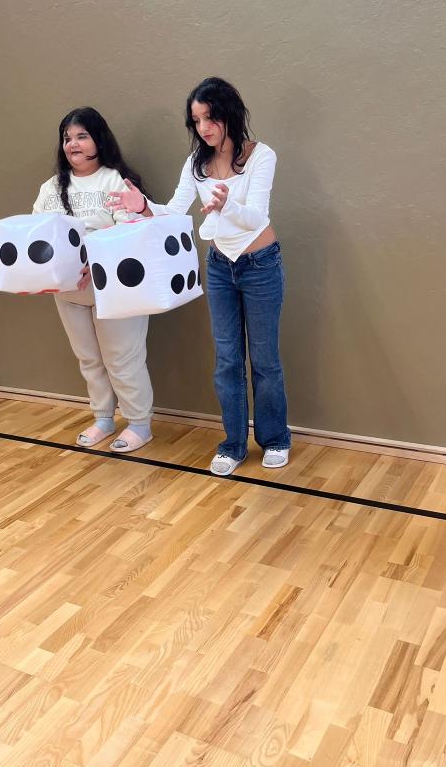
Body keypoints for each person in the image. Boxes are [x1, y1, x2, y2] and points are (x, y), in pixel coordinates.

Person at [107, 77, 290, 475]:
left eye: (210, 117)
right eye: (197, 120)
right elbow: (174, 211)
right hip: (221, 267)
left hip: (261, 265)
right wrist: (142, 206)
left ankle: (275, 438)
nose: (204, 127)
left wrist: (227, 206)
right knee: (226, 361)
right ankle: (233, 444)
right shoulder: (196, 164)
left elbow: (257, 217)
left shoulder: (261, 156)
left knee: (265, 360)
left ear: (229, 114)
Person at [33, 107, 154, 452]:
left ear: (99, 139)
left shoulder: (115, 181)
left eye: (82, 136)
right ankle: (103, 417)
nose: (73, 144)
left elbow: (130, 234)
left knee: (123, 358)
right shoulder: (50, 187)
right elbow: (37, 233)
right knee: (88, 358)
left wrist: (95, 261)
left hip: (113, 290)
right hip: (68, 292)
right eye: (67, 138)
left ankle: (139, 423)